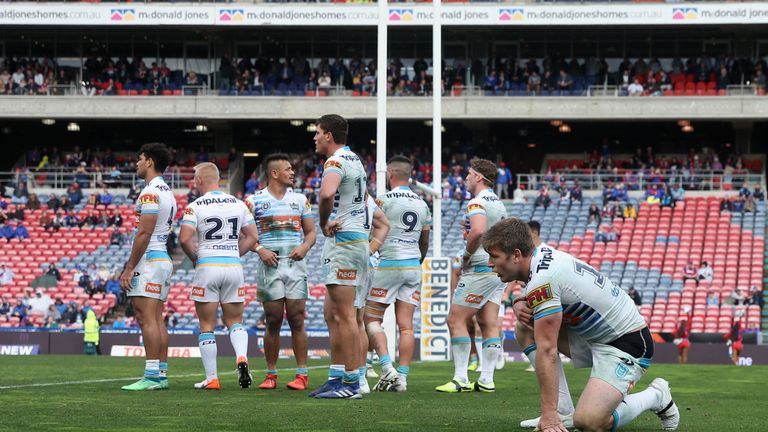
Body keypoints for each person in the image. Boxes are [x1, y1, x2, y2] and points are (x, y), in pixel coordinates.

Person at [482, 218, 679, 432]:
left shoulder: (543, 279)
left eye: (494, 256)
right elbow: (547, 286)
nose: (490, 263)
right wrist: (519, 300)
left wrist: (547, 416)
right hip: (596, 336)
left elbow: (547, 350)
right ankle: (564, 412)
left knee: (589, 422)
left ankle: (656, 396)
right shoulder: (542, 255)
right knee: (525, 327)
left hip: (626, 343)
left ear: (517, 255)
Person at [179, 162, 259, 391]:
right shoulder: (239, 204)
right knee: (235, 321)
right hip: (233, 266)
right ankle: (242, 357)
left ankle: (212, 378)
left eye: (195, 178)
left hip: (207, 266)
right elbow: (252, 236)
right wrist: (235, 253)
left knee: (207, 324)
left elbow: (185, 239)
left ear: (200, 180)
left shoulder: (195, 206)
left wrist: (195, 258)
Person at [245, 154, 317, 391]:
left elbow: (311, 233)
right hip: (270, 266)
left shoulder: (300, 200)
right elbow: (243, 235)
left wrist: (305, 247)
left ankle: (302, 375)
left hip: (295, 265)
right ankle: (271, 374)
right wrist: (259, 248)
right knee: (273, 320)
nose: (292, 172)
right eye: (287, 169)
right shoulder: (254, 201)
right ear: (274, 173)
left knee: (297, 319)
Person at [309, 114, 369, 399]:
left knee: (346, 316)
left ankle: (351, 383)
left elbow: (325, 194)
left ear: (329, 135)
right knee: (333, 313)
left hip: (345, 242)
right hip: (355, 240)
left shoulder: (334, 162)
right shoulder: (355, 159)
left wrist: (323, 223)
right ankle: (337, 377)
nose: (315, 137)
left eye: (318, 132)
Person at [436, 159, 507, 394]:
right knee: (488, 322)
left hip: (479, 267)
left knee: (455, 320)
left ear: (478, 177)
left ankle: (460, 378)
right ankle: (487, 379)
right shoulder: (499, 204)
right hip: (497, 268)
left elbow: (478, 231)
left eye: (469, 174)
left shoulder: (476, 203)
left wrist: (467, 253)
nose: (465, 177)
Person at [365, 156, 430, 393]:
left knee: (371, 319)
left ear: (391, 173)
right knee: (406, 326)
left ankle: (385, 366)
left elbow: (373, 231)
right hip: (413, 265)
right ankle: (402, 379)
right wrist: (417, 260)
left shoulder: (382, 200)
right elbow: (425, 239)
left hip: (390, 263)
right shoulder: (422, 204)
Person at [119, 143, 177, 392]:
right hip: (162, 257)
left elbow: (144, 232)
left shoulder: (150, 192)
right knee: (156, 319)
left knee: (146, 318)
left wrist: (129, 267)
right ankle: (160, 374)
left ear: (150, 161)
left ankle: (152, 376)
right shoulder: (168, 191)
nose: (137, 163)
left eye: (140, 158)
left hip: (150, 259)